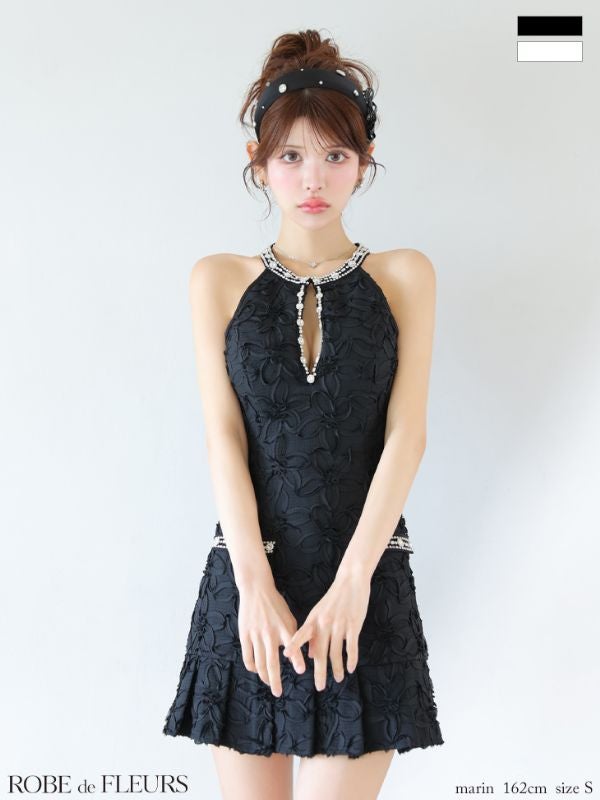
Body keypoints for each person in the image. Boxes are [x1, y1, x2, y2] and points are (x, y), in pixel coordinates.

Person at [162, 28, 444, 800]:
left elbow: (407, 435)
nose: (312, 177)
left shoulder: (405, 276)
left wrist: (354, 582)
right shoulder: (217, 279)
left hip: (364, 587)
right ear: (258, 162)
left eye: (335, 154)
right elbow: (223, 437)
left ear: (365, 160)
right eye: (290, 155)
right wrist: (252, 584)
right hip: (249, 589)